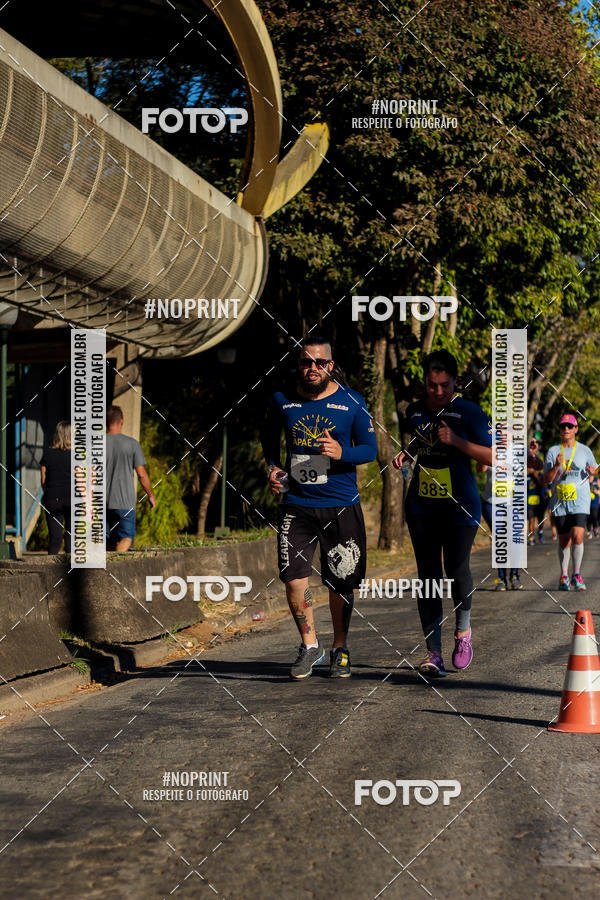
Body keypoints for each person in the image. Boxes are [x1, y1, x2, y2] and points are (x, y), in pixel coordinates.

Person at [261, 337, 377, 679]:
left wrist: (343, 454)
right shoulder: (284, 400)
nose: (312, 368)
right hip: (297, 504)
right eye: (306, 362)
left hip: (340, 504)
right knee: (294, 578)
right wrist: (272, 468)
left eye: (320, 362)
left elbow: (370, 449)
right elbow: (268, 438)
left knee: (340, 582)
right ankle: (310, 646)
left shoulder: (352, 401)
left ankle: (340, 648)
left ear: (331, 364)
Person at [393, 350, 492, 677]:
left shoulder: (470, 413)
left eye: (444, 385)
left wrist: (458, 442)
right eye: (432, 385)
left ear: (454, 382)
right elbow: (419, 441)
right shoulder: (415, 411)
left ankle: (462, 633)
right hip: (422, 505)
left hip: (461, 506)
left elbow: (496, 457)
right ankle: (433, 653)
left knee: (457, 569)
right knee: (428, 577)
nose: (437, 392)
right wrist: (406, 454)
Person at [544, 413, 598, 591]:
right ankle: (564, 575)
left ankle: (577, 574)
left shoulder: (584, 450)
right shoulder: (553, 451)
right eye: (562, 426)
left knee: (578, 536)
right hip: (560, 502)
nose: (566, 429)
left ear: (576, 429)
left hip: (581, 501)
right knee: (564, 540)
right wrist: (556, 466)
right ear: (560, 430)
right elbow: (546, 479)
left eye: (569, 426)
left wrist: (593, 471)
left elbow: (594, 470)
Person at [106, 405, 156, 551]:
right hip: (124, 502)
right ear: (121, 421)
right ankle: (117, 572)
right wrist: (151, 495)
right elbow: (141, 474)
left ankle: (104, 572)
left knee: (107, 542)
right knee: (126, 538)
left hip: (101, 502)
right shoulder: (131, 444)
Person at [478, 464, 521, 590]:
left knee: (514, 538)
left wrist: (532, 457)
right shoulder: (490, 447)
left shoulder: (518, 449)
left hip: (512, 503)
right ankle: (501, 578)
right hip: (492, 503)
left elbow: (536, 466)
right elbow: (480, 469)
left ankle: (514, 575)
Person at [40, 421, 71, 555]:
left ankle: (49, 572)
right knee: (71, 538)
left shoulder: (47, 454)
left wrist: (50, 495)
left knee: (55, 540)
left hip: (53, 499)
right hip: (72, 499)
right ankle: (71, 573)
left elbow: (43, 481)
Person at [527, 435, 546, 544]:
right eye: (531, 442)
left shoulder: (540, 461)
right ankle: (531, 537)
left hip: (540, 498)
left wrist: (536, 474)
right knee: (531, 519)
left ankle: (541, 531)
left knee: (540, 519)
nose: (533, 444)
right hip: (529, 498)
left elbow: (543, 484)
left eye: (535, 442)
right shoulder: (524, 458)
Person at [588, 473, 600, 538]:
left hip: (595, 502)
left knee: (595, 516)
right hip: (587, 502)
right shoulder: (586, 480)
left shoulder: (596, 480)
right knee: (588, 518)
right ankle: (589, 531)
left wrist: (597, 491)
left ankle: (595, 530)